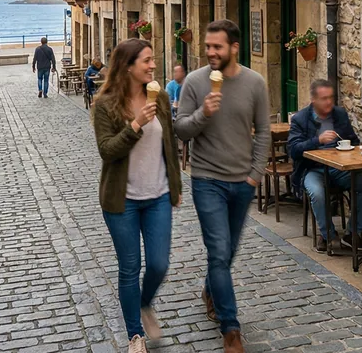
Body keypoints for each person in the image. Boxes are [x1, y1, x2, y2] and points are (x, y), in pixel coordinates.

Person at [174, 20, 269, 353]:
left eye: (217, 46)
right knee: (218, 251)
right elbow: (181, 130)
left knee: (227, 253)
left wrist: (255, 175)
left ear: (234, 48)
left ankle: (211, 290)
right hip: (207, 180)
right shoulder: (194, 82)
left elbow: (263, 131)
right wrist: (203, 113)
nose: (211, 52)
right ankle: (231, 329)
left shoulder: (255, 82)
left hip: (242, 182)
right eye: (208, 46)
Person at [93, 39, 181, 353]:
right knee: (130, 268)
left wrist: (175, 187)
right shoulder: (104, 105)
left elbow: (169, 145)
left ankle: (144, 304)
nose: (153, 65)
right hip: (123, 200)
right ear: (128, 66)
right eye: (146, 60)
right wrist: (135, 124)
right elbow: (107, 150)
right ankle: (135, 335)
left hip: (158, 196)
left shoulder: (160, 98)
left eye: (153, 59)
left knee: (158, 264)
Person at [287, 80, 362, 252]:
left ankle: (353, 233)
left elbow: (353, 140)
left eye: (331, 98)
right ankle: (328, 235)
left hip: (339, 168)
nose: (329, 102)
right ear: (313, 100)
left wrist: (349, 149)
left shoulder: (339, 114)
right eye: (324, 98)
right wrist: (317, 140)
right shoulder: (300, 119)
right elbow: (293, 150)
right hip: (313, 169)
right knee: (317, 193)